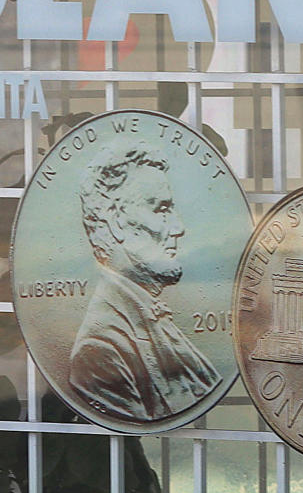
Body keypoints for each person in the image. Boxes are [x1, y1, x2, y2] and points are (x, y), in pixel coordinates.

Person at [68, 145, 219, 424]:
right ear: (115, 222)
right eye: (161, 209)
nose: (178, 227)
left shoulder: (150, 315)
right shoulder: (99, 353)